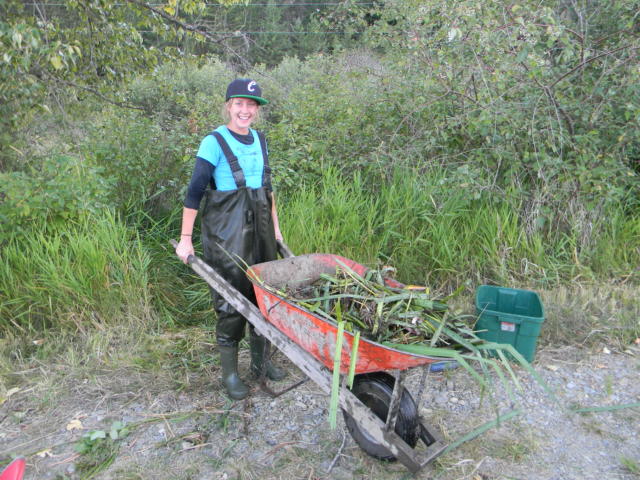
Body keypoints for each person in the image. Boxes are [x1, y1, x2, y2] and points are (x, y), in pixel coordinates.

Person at [175, 78, 286, 400]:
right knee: (231, 300)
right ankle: (231, 374)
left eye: (251, 105)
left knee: (265, 296)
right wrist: (185, 240)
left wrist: (276, 230)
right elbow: (195, 191)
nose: (245, 110)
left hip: (262, 230)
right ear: (228, 106)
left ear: (257, 110)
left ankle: (261, 364)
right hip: (227, 233)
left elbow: (268, 190)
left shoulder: (261, 140)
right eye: (239, 103)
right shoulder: (214, 142)